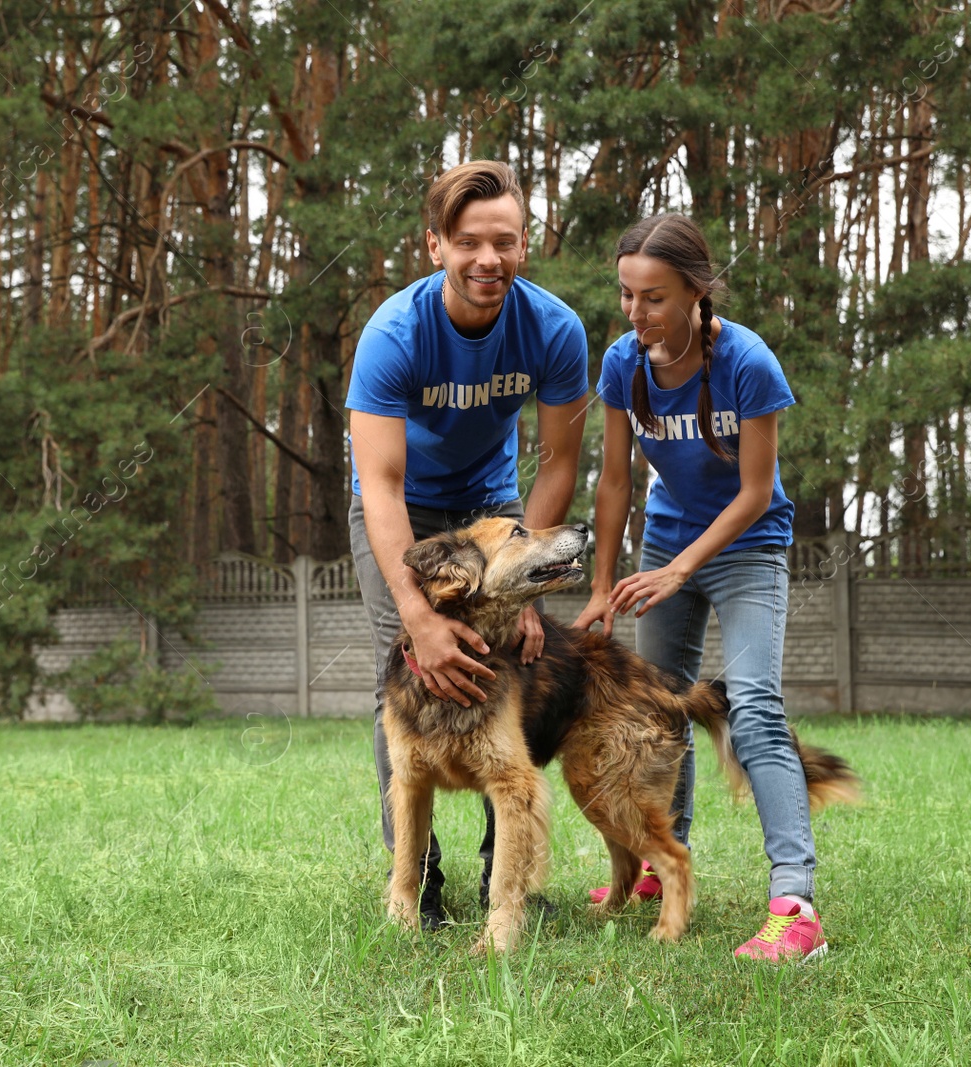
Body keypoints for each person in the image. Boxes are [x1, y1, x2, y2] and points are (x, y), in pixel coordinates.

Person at [571, 213, 827, 962]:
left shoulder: (747, 362)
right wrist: (603, 582)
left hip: (748, 549)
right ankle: (663, 864)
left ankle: (795, 904)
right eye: (626, 295)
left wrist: (682, 568)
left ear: (695, 291)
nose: (636, 313)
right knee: (658, 707)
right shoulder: (624, 363)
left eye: (653, 297)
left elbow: (755, 491)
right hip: (664, 546)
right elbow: (615, 479)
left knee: (753, 705)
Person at [346, 160, 590, 930]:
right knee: (409, 675)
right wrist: (418, 617)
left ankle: (505, 880)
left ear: (526, 245)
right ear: (435, 245)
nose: (488, 259)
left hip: (492, 505)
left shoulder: (554, 329)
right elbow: (381, 488)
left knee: (511, 665)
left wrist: (528, 594)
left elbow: (558, 461)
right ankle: (414, 885)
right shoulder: (394, 333)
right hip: (402, 507)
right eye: (468, 242)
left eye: (505, 242)